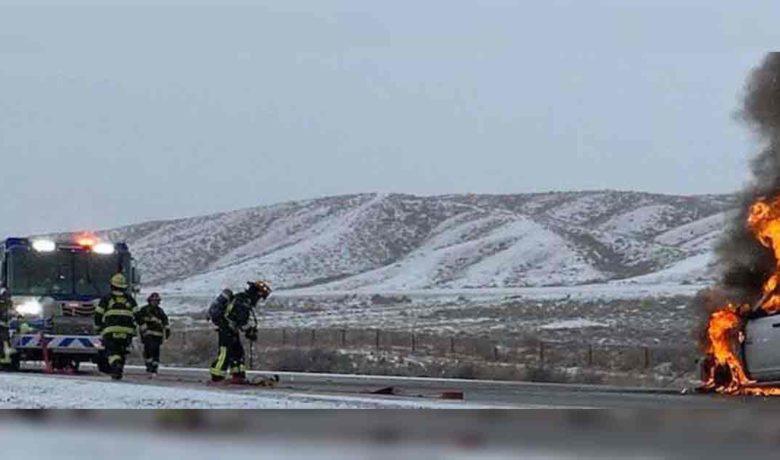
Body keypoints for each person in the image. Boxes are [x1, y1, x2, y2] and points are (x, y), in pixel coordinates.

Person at [209, 280, 272, 383]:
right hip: (226, 328)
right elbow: (241, 320)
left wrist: (249, 329)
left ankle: (238, 375)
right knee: (226, 352)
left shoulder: (242, 299)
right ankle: (217, 376)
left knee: (237, 352)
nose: (259, 300)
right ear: (257, 294)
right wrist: (249, 331)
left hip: (230, 329)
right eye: (260, 297)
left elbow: (239, 319)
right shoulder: (244, 302)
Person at [95, 273, 139, 380]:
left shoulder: (107, 299)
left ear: (112, 285)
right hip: (127, 331)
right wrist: (135, 329)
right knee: (122, 350)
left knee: (111, 351)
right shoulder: (130, 300)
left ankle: (116, 365)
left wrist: (98, 328)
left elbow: (98, 315)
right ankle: (118, 371)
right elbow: (138, 315)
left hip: (110, 330)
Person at [136, 292, 171, 375]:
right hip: (147, 334)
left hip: (158, 335)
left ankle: (154, 366)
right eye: (153, 301)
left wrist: (167, 331)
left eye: (157, 301)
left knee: (156, 350)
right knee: (148, 349)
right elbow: (138, 319)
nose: (155, 302)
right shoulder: (144, 310)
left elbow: (165, 322)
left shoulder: (160, 311)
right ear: (150, 301)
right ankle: (149, 364)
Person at [0, 288, 14, 369]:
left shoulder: (9, 304)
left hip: (5, 328)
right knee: (2, 345)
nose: (8, 298)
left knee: (6, 345)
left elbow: (11, 312)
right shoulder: (1, 304)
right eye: (6, 296)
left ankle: (6, 362)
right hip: (1, 328)